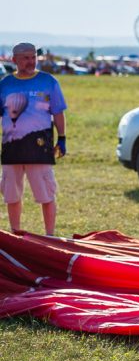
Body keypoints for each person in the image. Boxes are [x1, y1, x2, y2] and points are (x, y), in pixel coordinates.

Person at [0, 43, 67, 236]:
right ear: (14, 60)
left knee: (46, 194)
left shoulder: (48, 81)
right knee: (11, 195)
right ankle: (16, 234)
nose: (30, 62)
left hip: (40, 148)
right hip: (11, 149)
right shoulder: (5, 84)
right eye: (25, 58)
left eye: (33, 57)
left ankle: (50, 235)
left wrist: (62, 138)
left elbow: (58, 113)